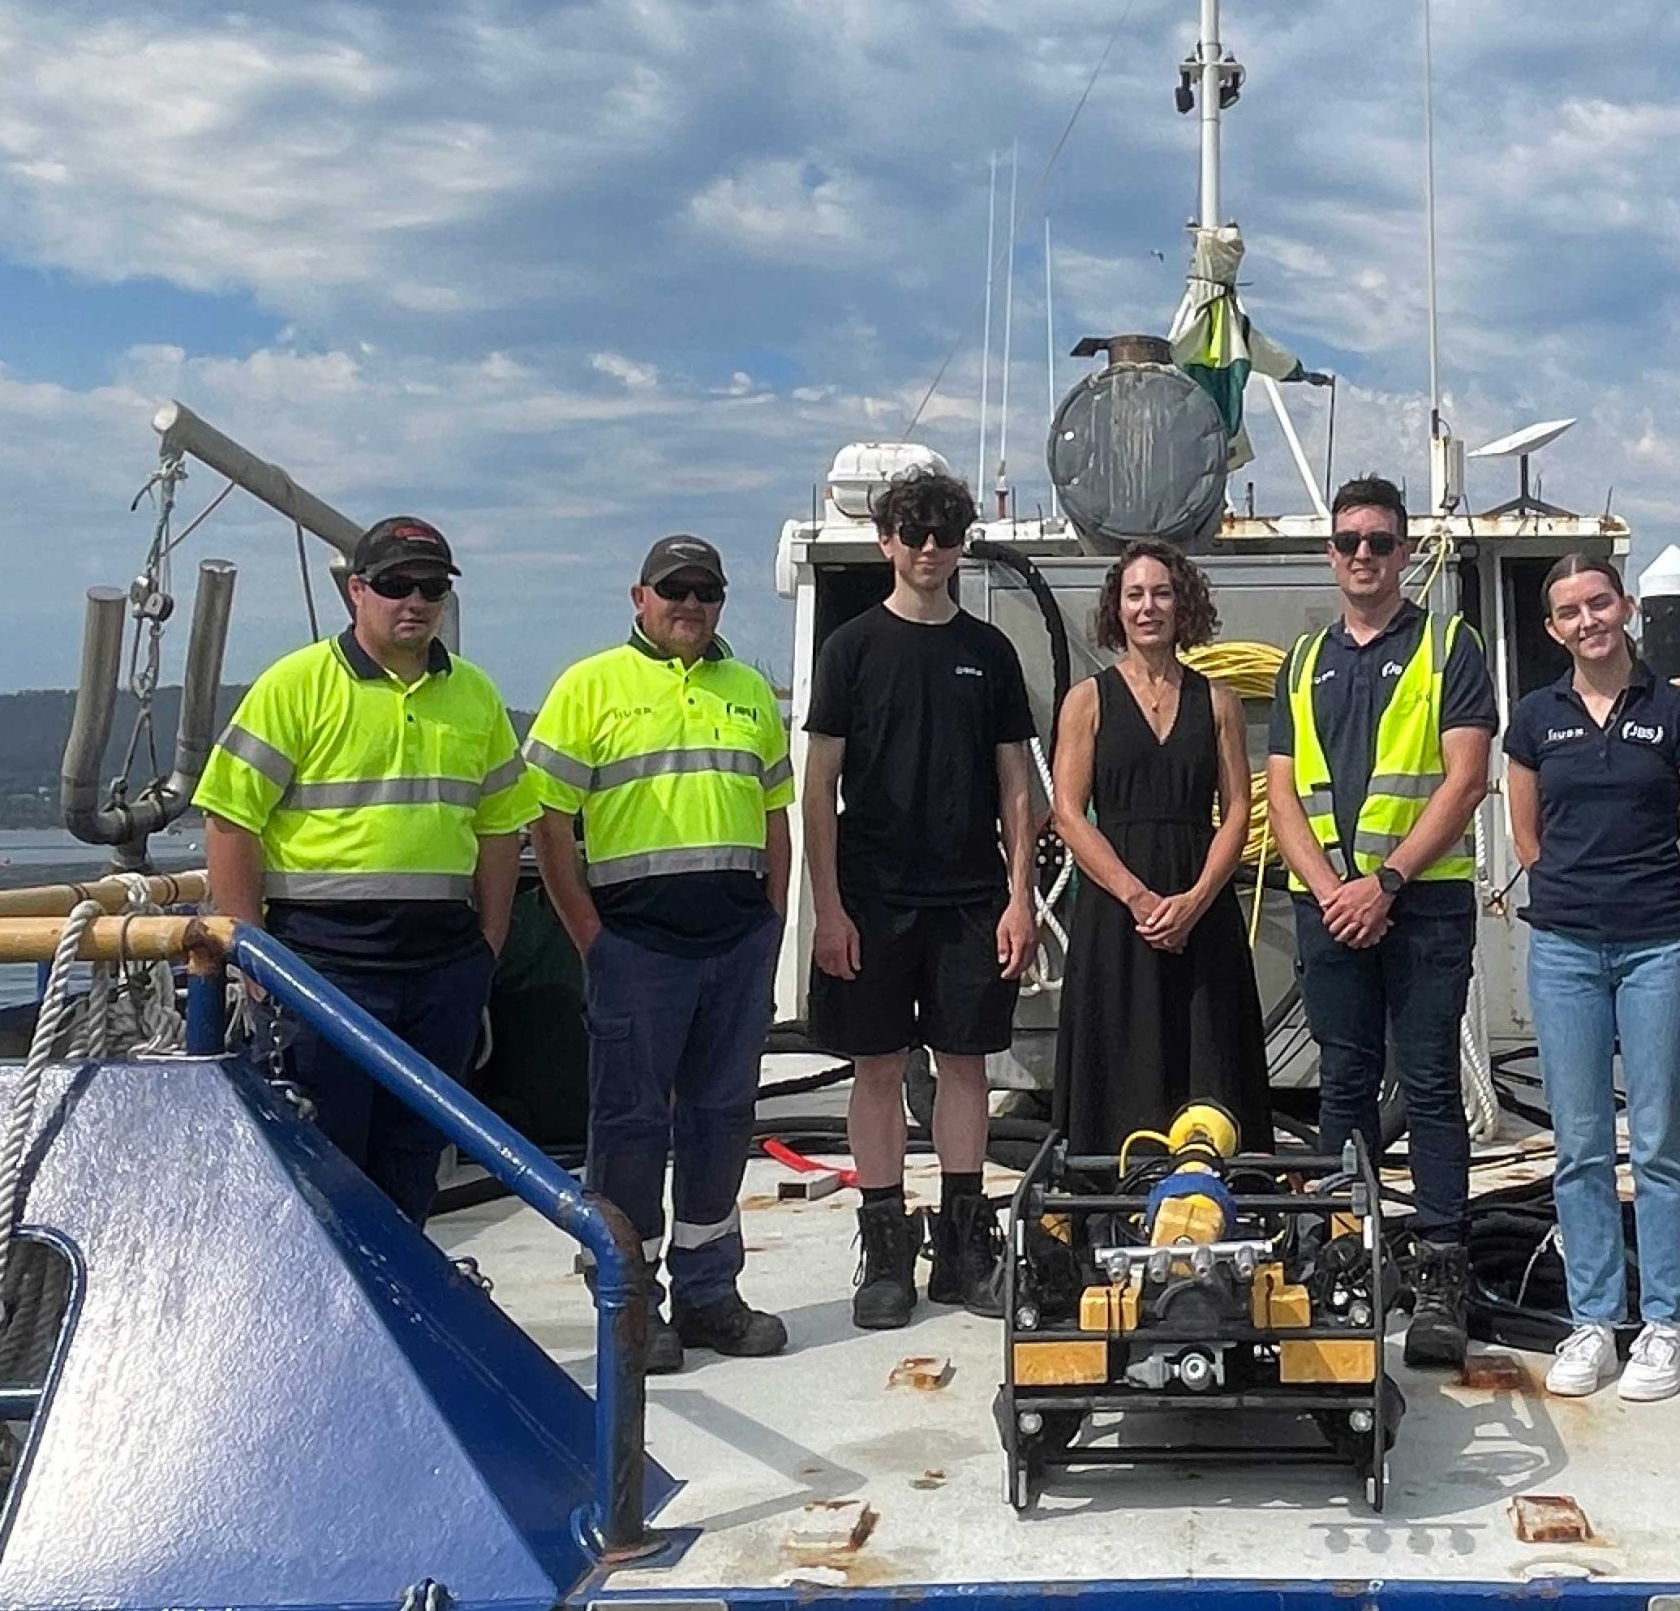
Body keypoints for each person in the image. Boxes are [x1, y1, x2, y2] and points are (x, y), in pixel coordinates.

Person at [198, 514, 537, 1226]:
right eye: (395, 585)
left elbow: (501, 828)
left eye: (431, 587)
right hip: (323, 966)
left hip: (442, 966)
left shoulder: (476, 696)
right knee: (325, 1163)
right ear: (357, 591)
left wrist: (488, 946)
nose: (414, 601)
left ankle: (397, 1290)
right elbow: (230, 820)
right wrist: (252, 956)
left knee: (415, 1158)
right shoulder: (294, 686)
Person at [526, 536, 794, 1372]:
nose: (691, 605)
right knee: (631, 1124)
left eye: (706, 592)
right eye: (674, 590)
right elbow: (547, 823)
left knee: (722, 1120)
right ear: (638, 597)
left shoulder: (749, 692)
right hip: (636, 948)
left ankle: (709, 1294)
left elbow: (776, 817)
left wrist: (772, 924)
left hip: (736, 945)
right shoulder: (588, 686)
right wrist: (592, 939)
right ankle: (631, 1300)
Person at [1266, 474, 1497, 1369]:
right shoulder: (1300, 660)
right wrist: (1333, 889)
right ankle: (1345, 1253)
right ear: (1330, 555)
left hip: (1421, 902)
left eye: (1379, 541)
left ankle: (1440, 1269)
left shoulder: (1447, 645)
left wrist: (1385, 883)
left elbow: (1464, 779)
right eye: (1347, 541)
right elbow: (1282, 794)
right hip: (1329, 906)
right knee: (1344, 1084)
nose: (1362, 555)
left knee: (1429, 1084)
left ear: (1403, 552)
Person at [802, 463, 1039, 1328]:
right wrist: (828, 909)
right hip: (871, 899)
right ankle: (886, 1250)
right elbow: (818, 787)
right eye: (914, 533)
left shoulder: (989, 652)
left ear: (962, 544)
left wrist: (1020, 898)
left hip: (971, 896)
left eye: (946, 533)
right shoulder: (851, 649)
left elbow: (1017, 785)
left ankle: (964, 1247)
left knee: (964, 1065)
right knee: (876, 1068)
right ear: (886, 542)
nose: (930, 548)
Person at [1503, 548, 1680, 1402]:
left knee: (1662, 1138)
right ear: (1552, 627)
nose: (1586, 621)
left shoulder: (1676, 714)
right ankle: (1593, 1318)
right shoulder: (1535, 720)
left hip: (1655, 948)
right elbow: (1528, 841)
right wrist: (1579, 897)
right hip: (1564, 949)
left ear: (1625, 607)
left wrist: (1656, 906)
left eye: (1598, 603)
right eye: (1569, 611)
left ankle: (1664, 1322)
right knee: (1580, 1143)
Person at [1050, 540, 1273, 1157]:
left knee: (1209, 1047)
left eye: (1162, 593)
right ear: (1116, 609)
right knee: (1120, 1048)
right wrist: (1137, 897)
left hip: (1201, 905)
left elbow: (1237, 810)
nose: (1148, 607)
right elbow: (1068, 813)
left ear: (1183, 604)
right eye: (1135, 595)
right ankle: (1111, 1184)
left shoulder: (1219, 702)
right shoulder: (1087, 701)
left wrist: (1195, 900)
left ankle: (1218, 1179)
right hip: (1115, 908)